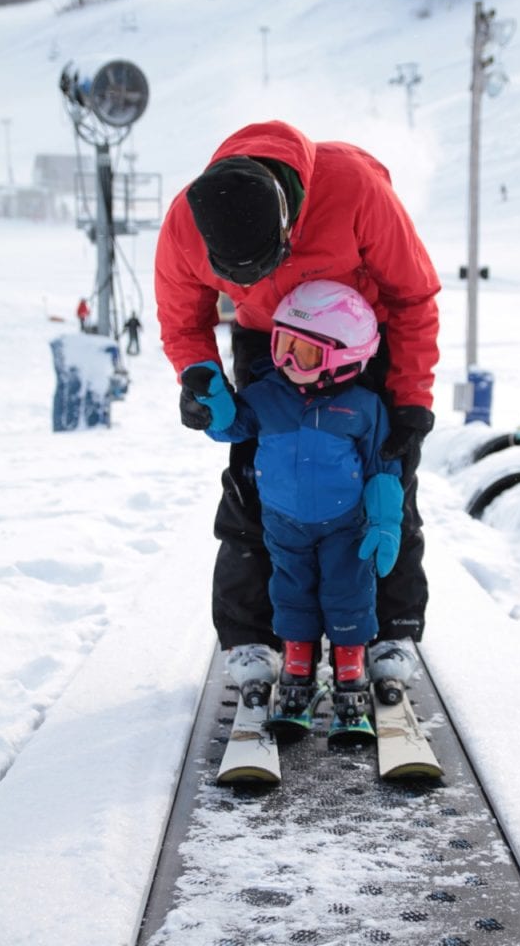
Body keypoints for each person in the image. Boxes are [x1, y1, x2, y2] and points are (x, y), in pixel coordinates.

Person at [154, 119, 439, 703]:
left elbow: (413, 295)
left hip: (362, 339)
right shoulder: (185, 222)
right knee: (255, 483)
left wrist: (409, 399)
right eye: (238, 277)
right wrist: (199, 377)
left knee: (387, 478)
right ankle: (251, 636)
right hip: (267, 342)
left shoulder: (356, 189)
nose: (254, 281)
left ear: (288, 221)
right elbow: (184, 321)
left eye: (261, 267)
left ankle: (392, 630)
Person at [185, 280, 403, 720]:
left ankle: (349, 662)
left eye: (302, 353)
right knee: (291, 593)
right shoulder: (267, 395)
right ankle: (298, 661)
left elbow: (383, 467)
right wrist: (214, 402)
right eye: (282, 344)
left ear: (344, 359)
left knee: (349, 593)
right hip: (284, 525)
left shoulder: (363, 407)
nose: (285, 362)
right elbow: (232, 427)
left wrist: (385, 520)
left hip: (346, 527)